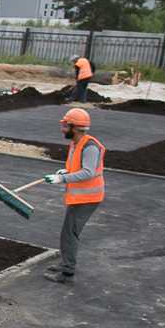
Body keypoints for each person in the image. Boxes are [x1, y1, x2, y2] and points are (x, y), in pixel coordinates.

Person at [40, 107, 105, 285]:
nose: (62, 129)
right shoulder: (76, 143)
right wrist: (67, 171)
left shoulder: (90, 146)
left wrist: (62, 178)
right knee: (67, 233)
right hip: (80, 197)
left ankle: (67, 273)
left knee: (70, 234)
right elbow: (79, 167)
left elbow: (89, 172)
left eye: (65, 126)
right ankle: (65, 263)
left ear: (74, 128)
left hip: (88, 199)